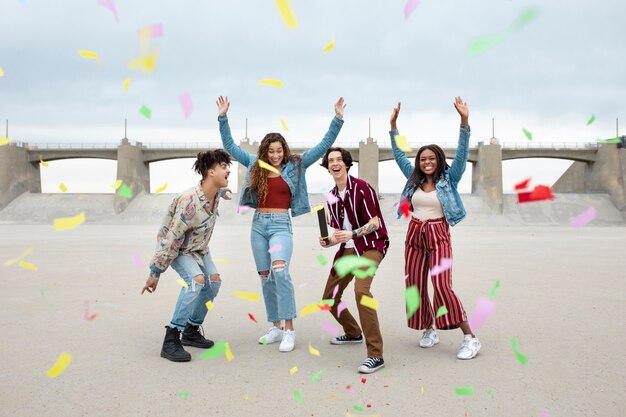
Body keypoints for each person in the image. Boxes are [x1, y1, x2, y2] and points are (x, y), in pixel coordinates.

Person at [217, 96, 345, 352]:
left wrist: (337, 120)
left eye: (279, 150)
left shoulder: (296, 165)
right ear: (265, 152)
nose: (275, 155)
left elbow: (323, 146)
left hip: (280, 226)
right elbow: (230, 145)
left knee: (280, 272)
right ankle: (274, 327)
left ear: (284, 150)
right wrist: (223, 117)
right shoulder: (255, 164)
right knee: (265, 277)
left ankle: (289, 330)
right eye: (271, 151)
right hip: (258, 225)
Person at [389, 97, 481, 360]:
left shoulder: (449, 179)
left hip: (439, 234)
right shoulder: (413, 178)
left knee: (442, 285)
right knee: (415, 285)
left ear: (439, 160)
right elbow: (398, 155)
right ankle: (428, 329)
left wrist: (464, 121)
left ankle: (470, 337)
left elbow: (462, 155)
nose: (426, 162)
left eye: (431, 158)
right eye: (422, 159)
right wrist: (394, 127)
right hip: (414, 233)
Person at [141, 149, 232, 362]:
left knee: (214, 282)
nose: (228, 169)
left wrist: (222, 193)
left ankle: (191, 330)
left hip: (199, 248)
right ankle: (171, 337)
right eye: (224, 166)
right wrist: (155, 273)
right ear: (211, 172)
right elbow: (171, 239)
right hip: (179, 249)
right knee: (195, 281)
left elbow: (217, 193)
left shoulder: (213, 193)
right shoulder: (189, 202)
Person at [318, 147, 389, 373]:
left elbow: (375, 222)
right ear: (328, 167)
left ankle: (376, 355)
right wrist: (329, 241)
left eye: (339, 159)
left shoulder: (362, 188)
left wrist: (353, 234)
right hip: (348, 249)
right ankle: (353, 332)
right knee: (328, 298)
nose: (335, 163)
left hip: (370, 246)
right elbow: (339, 232)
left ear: (347, 164)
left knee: (361, 292)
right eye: (331, 160)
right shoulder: (330, 196)